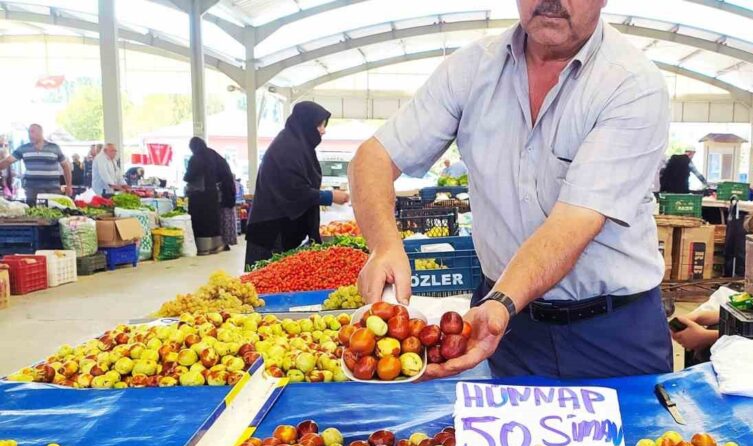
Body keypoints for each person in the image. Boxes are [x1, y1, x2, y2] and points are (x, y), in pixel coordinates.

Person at [349, 0, 672, 380]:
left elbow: (574, 222)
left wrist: (502, 301)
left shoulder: (631, 82)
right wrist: (384, 245)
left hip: (613, 332)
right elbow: (375, 156)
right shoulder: (472, 69)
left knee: (634, 438)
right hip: (512, 333)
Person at [246, 101, 349, 268]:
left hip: (281, 227)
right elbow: (294, 191)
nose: (323, 130)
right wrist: (329, 196)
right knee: (268, 282)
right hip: (272, 231)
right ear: (306, 124)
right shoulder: (287, 148)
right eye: (320, 125)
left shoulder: (296, 144)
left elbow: (298, 183)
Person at [0, 124, 71, 206]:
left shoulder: (54, 148)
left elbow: (66, 166)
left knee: (54, 213)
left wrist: (69, 186)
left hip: (53, 190)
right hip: (32, 190)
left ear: (41, 132)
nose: (30, 135)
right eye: (29, 132)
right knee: (33, 214)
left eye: (32, 132)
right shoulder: (23, 148)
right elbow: (8, 161)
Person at [183, 137, 225, 255]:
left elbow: (189, 176)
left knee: (200, 220)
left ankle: (204, 248)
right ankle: (216, 245)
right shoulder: (213, 155)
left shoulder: (195, 158)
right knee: (213, 219)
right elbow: (224, 171)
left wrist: (185, 178)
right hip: (213, 193)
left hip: (199, 195)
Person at [211, 148, 238, 247]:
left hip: (224, 199)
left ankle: (223, 243)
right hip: (229, 198)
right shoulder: (224, 166)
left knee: (223, 220)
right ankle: (226, 242)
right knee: (228, 219)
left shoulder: (218, 171)